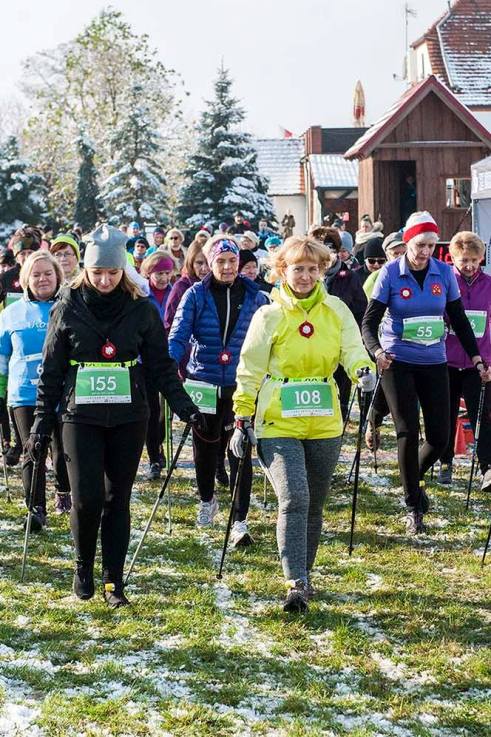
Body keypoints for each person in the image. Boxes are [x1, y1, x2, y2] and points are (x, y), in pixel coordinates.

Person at [28, 225, 200, 607]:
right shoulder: (68, 306)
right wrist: (42, 421)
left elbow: (160, 365)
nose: (105, 280)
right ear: (85, 271)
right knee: (86, 498)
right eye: (97, 272)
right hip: (79, 415)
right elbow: (51, 369)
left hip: (127, 415)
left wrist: (183, 403)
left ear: (123, 270)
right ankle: (82, 567)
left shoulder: (141, 308)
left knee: (116, 498)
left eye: (112, 272)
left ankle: (113, 583)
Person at [231, 236, 374, 611]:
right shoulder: (270, 315)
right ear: (282, 271)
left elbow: (352, 348)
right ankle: (294, 582)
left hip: (325, 420)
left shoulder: (336, 310)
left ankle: (305, 578)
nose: (306, 276)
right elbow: (250, 369)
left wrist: (363, 370)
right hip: (278, 421)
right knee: (294, 496)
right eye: (298, 268)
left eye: (313, 269)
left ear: (322, 270)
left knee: (314, 504)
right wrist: (241, 415)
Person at [362, 211, 491, 535]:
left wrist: (476, 358)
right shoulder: (390, 273)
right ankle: (412, 505)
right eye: (421, 245)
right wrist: (378, 352)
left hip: (434, 359)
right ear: (408, 242)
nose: (425, 252)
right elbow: (369, 322)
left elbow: (459, 320)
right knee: (408, 431)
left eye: (432, 246)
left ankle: (411, 479)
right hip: (398, 360)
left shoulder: (443, 274)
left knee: (439, 436)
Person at [168, 235, 267, 543]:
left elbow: (269, 339)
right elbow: (179, 333)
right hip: (203, 380)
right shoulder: (196, 294)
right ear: (210, 264)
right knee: (206, 447)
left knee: (240, 450)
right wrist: (168, 365)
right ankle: (207, 499)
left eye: (232, 261)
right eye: (220, 261)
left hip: (241, 382)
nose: (227, 267)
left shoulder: (257, 297)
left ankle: (240, 518)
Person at [0, 252, 71, 525]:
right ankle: (35, 509)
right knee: (33, 448)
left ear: (57, 276)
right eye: (36, 274)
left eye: (48, 273)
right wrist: (1, 391)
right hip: (24, 393)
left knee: (64, 448)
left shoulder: (70, 306)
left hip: (64, 391)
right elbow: (3, 356)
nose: (42, 279)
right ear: (26, 279)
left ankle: (64, 491)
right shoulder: (11, 313)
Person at [438, 231, 491, 491]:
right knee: (445, 414)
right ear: (453, 259)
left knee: (482, 415)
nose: (469, 266)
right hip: (447, 361)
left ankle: (487, 468)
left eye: (473, 260)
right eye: (463, 261)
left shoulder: (489, 284)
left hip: (478, 363)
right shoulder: (446, 283)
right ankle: (445, 461)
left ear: (481, 258)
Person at [317, 227, 368, 420]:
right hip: (313, 342)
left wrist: (353, 335)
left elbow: (361, 310)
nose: (325, 258)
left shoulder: (350, 277)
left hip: (339, 340)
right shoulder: (308, 278)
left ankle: (342, 412)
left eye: (330, 251)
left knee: (341, 384)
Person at [362, 232, 407, 451]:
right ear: (387, 255)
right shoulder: (378, 277)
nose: (399, 256)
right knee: (385, 392)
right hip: (385, 343)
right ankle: (374, 420)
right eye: (394, 253)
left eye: (402, 251)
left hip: (413, 344)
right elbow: (371, 314)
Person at [140, 251, 177, 480]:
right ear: (148, 273)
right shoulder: (142, 294)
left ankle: (160, 444)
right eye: (158, 273)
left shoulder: (176, 292)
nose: (163, 278)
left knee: (167, 410)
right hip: (145, 359)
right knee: (151, 410)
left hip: (169, 356)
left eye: (166, 273)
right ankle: (154, 456)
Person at [363, 232, 406, 299]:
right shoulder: (375, 278)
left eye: (404, 253)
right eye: (396, 253)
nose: (401, 257)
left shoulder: (422, 272)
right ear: (387, 255)